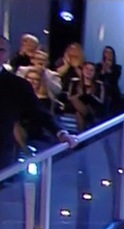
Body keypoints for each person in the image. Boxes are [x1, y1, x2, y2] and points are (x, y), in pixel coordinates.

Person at [0, 35, 77, 173]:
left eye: (1, 50)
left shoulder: (17, 85)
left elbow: (38, 111)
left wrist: (60, 132)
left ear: (6, 55)